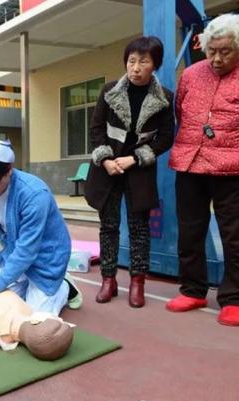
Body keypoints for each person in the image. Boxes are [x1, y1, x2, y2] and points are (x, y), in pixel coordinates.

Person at [84, 36, 174, 308]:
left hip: (139, 171)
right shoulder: (108, 91)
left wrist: (135, 159)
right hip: (107, 170)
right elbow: (96, 129)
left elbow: (165, 138)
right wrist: (107, 160)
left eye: (143, 62)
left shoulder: (164, 98)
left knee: (139, 228)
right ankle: (108, 280)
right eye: (131, 61)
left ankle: (137, 283)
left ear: (154, 65)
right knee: (108, 226)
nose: (135, 67)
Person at [165, 14, 239, 326]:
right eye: (212, 51)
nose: (218, 58)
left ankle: (234, 298)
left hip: (232, 167)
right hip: (190, 161)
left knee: (234, 235)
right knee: (190, 229)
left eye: (226, 51)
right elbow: (180, 112)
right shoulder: (191, 75)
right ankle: (193, 289)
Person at [0, 139, 81, 315]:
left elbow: (28, 248)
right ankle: (28, 280)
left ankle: (63, 287)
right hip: (16, 254)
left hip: (46, 259)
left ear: (9, 170)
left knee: (33, 319)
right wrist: (5, 260)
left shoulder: (35, 195)